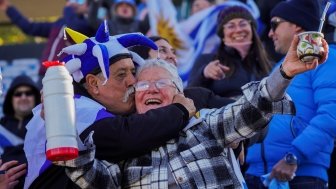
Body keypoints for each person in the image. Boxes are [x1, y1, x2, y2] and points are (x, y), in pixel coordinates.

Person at [57, 34, 329, 188]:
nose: (151, 89)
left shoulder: (208, 125)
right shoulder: (125, 157)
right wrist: (64, 130)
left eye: (161, 83)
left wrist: (285, 72)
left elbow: (253, 107)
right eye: (143, 86)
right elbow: (93, 180)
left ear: (179, 92)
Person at [23, 22, 195, 189]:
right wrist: (179, 110)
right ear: (94, 84)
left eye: (133, 72)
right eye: (121, 75)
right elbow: (126, 137)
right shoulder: (74, 107)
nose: (132, 81)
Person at [245, 0, 336, 188]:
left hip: (299, 176)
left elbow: (332, 115)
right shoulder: (279, 68)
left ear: (296, 26)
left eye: (274, 24)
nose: (270, 33)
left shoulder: (326, 58)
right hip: (256, 176)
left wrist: (294, 156)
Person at [0, 0, 95, 88]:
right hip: (45, 74)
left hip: (66, 76)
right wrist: (9, 8)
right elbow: (29, 27)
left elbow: (73, 26)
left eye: (80, 1)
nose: (74, 3)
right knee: (38, 104)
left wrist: (68, 9)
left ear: (87, 6)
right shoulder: (59, 23)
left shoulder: (88, 25)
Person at [187, 5, 272, 99]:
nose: (238, 30)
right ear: (222, 35)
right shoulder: (207, 60)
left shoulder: (270, 66)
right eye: (231, 26)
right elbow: (189, 97)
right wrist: (203, 74)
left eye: (243, 24)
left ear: (252, 29)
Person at [129, 35, 235, 110]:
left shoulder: (198, 96)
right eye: (162, 50)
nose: (172, 56)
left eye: (173, 52)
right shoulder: (127, 112)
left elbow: (239, 109)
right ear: (141, 59)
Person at [0, 75, 40, 188]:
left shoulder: (45, 125)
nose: (23, 97)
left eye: (28, 93)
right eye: (18, 94)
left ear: (35, 96)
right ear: (10, 99)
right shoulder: (1, 128)